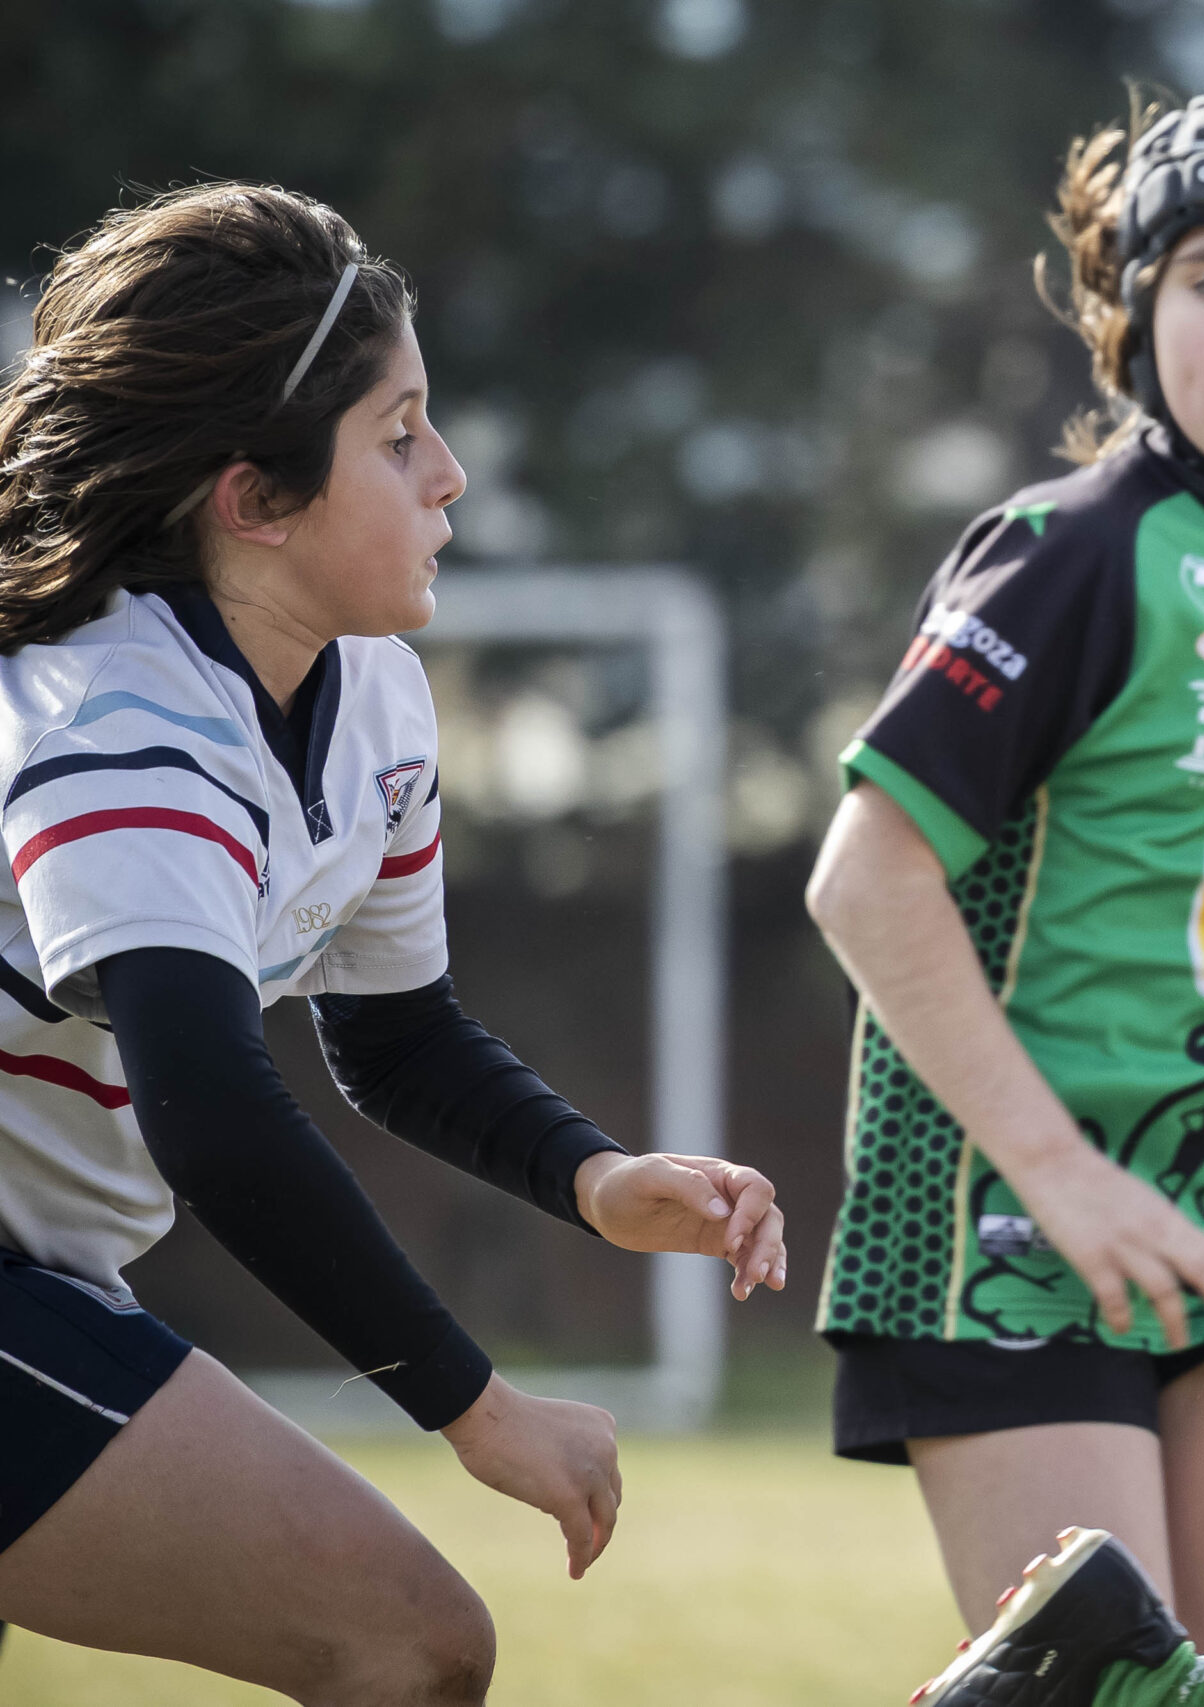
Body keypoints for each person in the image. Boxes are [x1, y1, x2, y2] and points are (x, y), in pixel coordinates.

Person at [0, 184, 786, 1704]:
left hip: (49, 1278)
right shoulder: (119, 726)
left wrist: (595, 1177)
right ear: (255, 500)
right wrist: (475, 1409)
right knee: (410, 1643)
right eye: (400, 432)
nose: (454, 475)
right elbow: (213, 1112)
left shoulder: (371, 694)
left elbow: (394, 1031)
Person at [804, 92, 1204, 1692]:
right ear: (1133, 316)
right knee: (1115, 1685)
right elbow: (867, 878)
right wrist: (1063, 1175)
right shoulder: (1078, 550)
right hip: (1005, 1214)